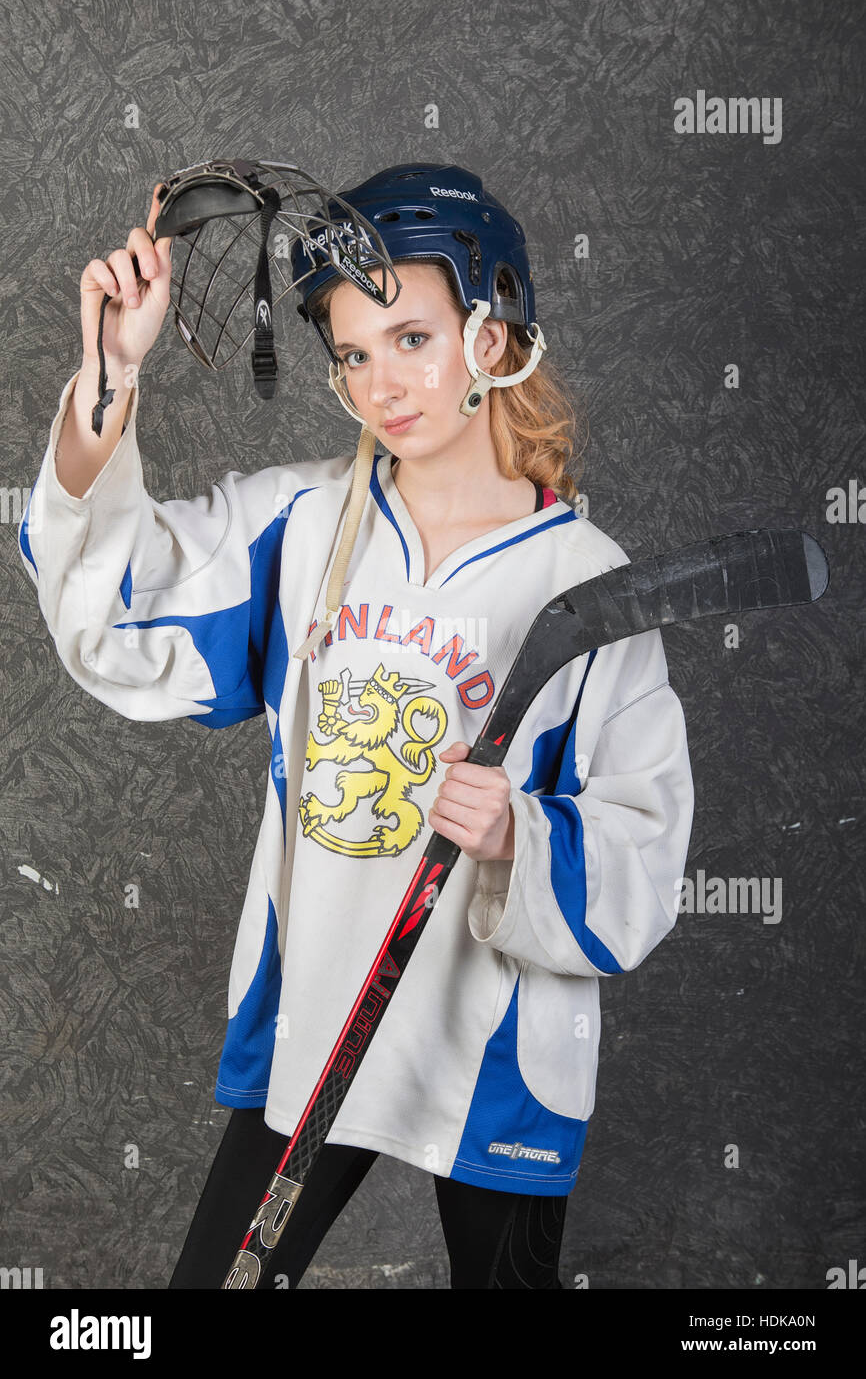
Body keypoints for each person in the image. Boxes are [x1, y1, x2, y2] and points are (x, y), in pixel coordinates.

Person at [18, 163, 694, 1290]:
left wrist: (518, 835)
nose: (384, 382)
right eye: (353, 352)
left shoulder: (591, 584)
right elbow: (113, 604)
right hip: (318, 1020)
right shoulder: (301, 523)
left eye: (413, 339)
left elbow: (644, 844)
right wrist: (111, 369)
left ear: (492, 333)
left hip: (494, 1059)